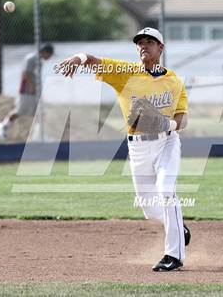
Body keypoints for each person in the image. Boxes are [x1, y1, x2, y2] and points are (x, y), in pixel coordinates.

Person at [59, 27, 191, 272]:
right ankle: (178, 227)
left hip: (167, 143)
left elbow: (183, 120)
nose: (143, 46)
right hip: (138, 148)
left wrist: (167, 123)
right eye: (140, 42)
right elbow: (93, 60)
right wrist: (78, 58)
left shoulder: (174, 80)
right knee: (149, 209)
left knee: (166, 190)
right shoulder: (124, 72)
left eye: (150, 42)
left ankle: (174, 256)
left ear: (160, 48)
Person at [0, 43, 54, 140]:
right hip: (27, 91)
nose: (49, 57)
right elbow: (25, 73)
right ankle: (3, 126)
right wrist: (31, 86)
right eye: (49, 54)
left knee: (40, 113)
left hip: (34, 91)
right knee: (20, 111)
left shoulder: (39, 61)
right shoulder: (31, 58)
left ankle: (40, 135)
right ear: (45, 52)